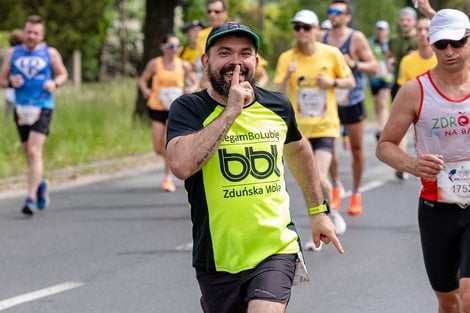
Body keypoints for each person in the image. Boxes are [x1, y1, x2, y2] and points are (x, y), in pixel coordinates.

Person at [166, 22, 343, 313]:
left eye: (245, 53)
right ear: (206, 61)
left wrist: (318, 212)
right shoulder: (189, 109)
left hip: (275, 247)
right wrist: (231, 112)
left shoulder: (277, 106)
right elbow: (181, 165)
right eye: (225, 53)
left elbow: (299, 150)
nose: (236, 61)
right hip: (218, 255)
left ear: (256, 62)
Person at [376, 9, 470, 313]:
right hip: (436, 207)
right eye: (441, 45)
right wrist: (414, 165)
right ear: (430, 45)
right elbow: (385, 146)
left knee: (468, 298)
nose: (450, 51)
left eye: (458, 42)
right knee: (448, 300)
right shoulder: (415, 91)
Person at [274, 9, 355, 249]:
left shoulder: (331, 54)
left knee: (318, 178)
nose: (301, 32)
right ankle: (329, 212)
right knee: (309, 183)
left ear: (316, 30)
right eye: (297, 27)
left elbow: (349, 81)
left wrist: (332, 83)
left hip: (325, 127)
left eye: (306, 27)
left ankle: (328, 218)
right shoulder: (287, 58)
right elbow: (277, 95)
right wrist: (287, 75)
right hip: (299, 132)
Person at [0, 15, 68, 216]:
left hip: (43, 106)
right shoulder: (13, 53)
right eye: (28, 32)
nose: (31, 36)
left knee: (33, 151)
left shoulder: (50, 53)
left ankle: (30, 198)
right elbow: (2, 80)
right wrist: (12, 81)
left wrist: (54, 84)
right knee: (27, 153)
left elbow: (63, 74)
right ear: (24, 31)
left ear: (42, 35)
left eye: (35, 33)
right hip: (21, 108)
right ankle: (39, 185)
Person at [323, 0, 378, 216]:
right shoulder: (323, 38)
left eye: (338, 12)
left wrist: (354, 64)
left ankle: (356, 194)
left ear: (347, 17)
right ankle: (336, 185)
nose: (333, 15)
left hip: (352, 100)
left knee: (356, 148)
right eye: (331, 12)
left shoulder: (356, 38)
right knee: (329, 147)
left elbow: (373, 66)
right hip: (329, 100)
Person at [139, 34, 198, 192]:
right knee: (158, 148)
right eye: (171, 47)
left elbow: (194, 81)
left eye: (177, 47)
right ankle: (172, 161)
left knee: (166, 144)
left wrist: (190, 90)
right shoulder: (155, 64)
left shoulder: (183, 65)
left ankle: (167, 178)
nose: (174, 50)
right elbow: (142, 80)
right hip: (158, 107)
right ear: (163, 47)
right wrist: (146, 90)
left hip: (175, 109)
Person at [368, 20, 393, 141]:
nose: (381, 32)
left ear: (387, 31)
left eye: (383, 29)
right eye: (379, 29)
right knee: (377, 104)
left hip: (387, 77)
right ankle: (380, 124)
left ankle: (382, 129)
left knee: (383, 102)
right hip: (374, 77)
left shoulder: (391, 43)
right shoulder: (371, 43)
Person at [396, 17, 437, 88]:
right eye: (420, 29)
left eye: (427, 29)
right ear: (415, 32)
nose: (423, 33)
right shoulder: (407, 61)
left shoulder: (441, 60)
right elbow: (403, 90)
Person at [3, 29, 23, 118]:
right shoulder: (24, 53)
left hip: (9, 90)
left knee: (9, 118)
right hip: (22, 92)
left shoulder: (9, 53)